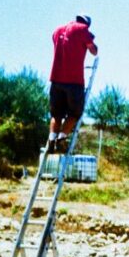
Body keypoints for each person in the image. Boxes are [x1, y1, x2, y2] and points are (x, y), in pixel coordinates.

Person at [47, 14, 98, 154]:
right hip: (74, 81)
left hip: (56, 79)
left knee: (56, 114)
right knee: (75, 113)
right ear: (87, 24)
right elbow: (93, 50)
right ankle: (61, 138)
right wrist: (91, 40)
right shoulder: (83, 29)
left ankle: (51, 139)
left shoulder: (58, 30)